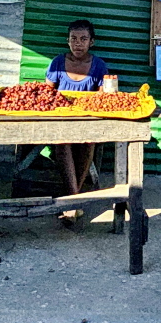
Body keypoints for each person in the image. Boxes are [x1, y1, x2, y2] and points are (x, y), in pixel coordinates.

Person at [46, 19, 108, 201]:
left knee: (88, 144)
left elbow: (104, 100)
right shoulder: (57, 63)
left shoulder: (99, 66)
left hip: (87, 121)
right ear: (67, 41)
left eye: (83, 39)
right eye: (73, 38)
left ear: (92, 42)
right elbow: (46, 95)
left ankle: (70, 200)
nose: (78, 44)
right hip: (61, 121)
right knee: (63, 144)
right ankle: (74, 200)